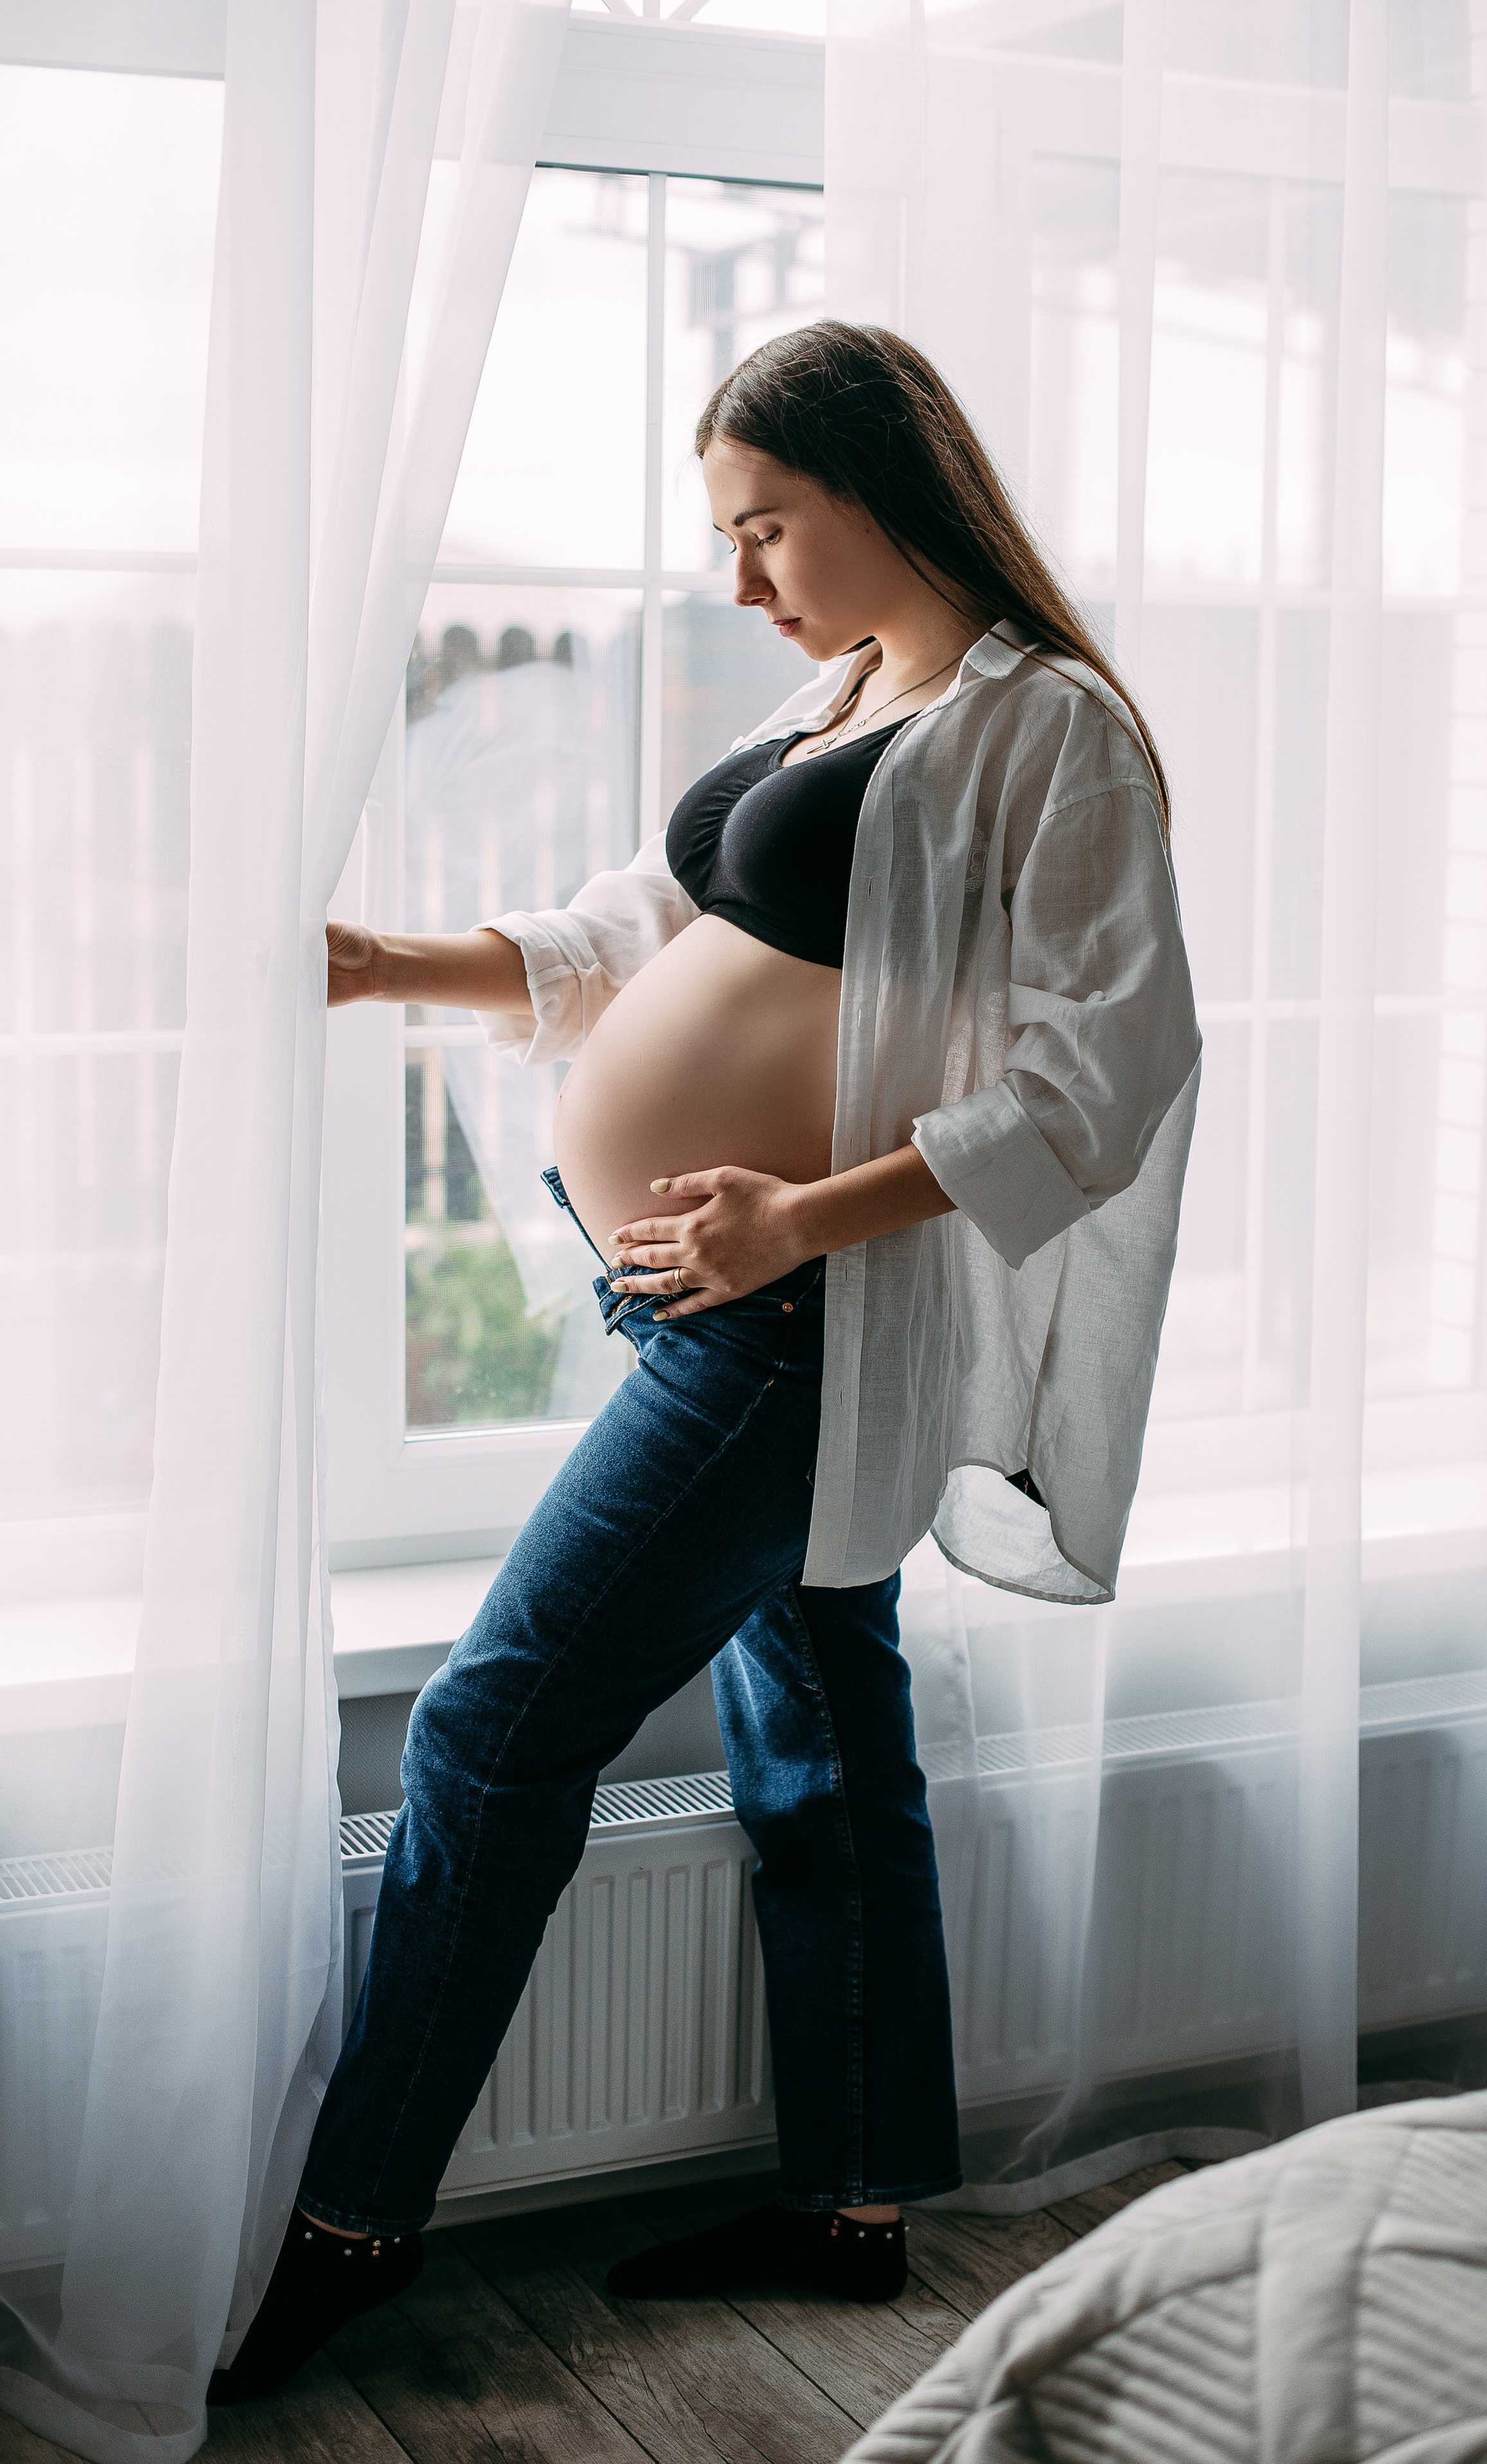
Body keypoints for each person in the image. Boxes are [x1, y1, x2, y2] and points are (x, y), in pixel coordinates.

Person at [208, 320, 1200, 2404]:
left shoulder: (1053, 732)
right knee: (832, 1729)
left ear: (891, 492)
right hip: (709, 1298)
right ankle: (851, 2204)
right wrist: (390, 961)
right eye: (726, 535)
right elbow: (633, 932)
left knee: (491, 1730)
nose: (742, 580)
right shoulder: (842, 694)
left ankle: (353, 2219)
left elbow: (1107, 1074)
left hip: (794, 1326)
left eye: (770, 527)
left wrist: (797, 1218)